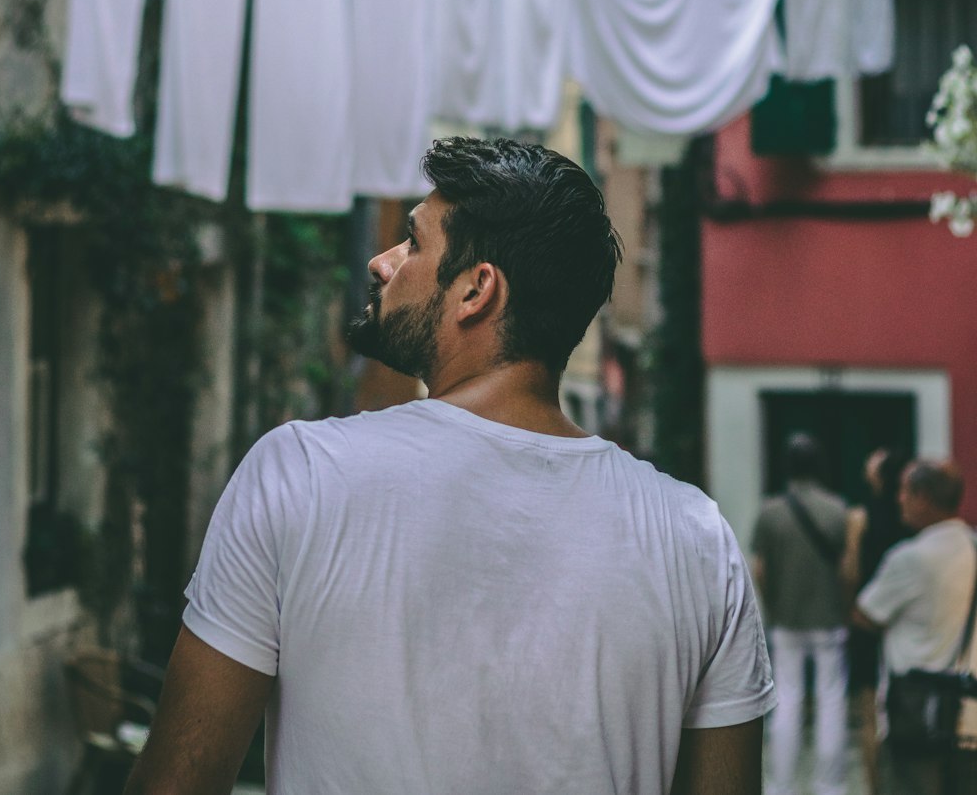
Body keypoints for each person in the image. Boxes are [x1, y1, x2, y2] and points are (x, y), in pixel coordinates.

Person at [124, 137, 775, 795]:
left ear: (475, 291)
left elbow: (177, 784)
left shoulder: (299, 475)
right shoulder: (697, 542)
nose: (382, 262)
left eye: (412, 242)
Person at [853, 459, 977, 795]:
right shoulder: (972, 545)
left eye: (905, 491)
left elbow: (865, 615)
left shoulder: (909, 558)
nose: (899, 499)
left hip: (916, 715)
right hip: (969, 716)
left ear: (923, 498)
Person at [751, 432, 850, 795]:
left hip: (787, 620)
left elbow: (760, 569)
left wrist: (774, 606)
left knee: (787, 700)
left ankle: (782, 785)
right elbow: (847, 569)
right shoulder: (837, 509)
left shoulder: (770, 511)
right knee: (831, 700)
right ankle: (830, 785)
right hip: (828, 619)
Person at [845, 447, 911, 795]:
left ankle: (876, 787)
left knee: (869, 716)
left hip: (869, 620)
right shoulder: (911, 520)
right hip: (905, 622)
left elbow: (850, 571)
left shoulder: (860, 517)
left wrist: (850, 610)